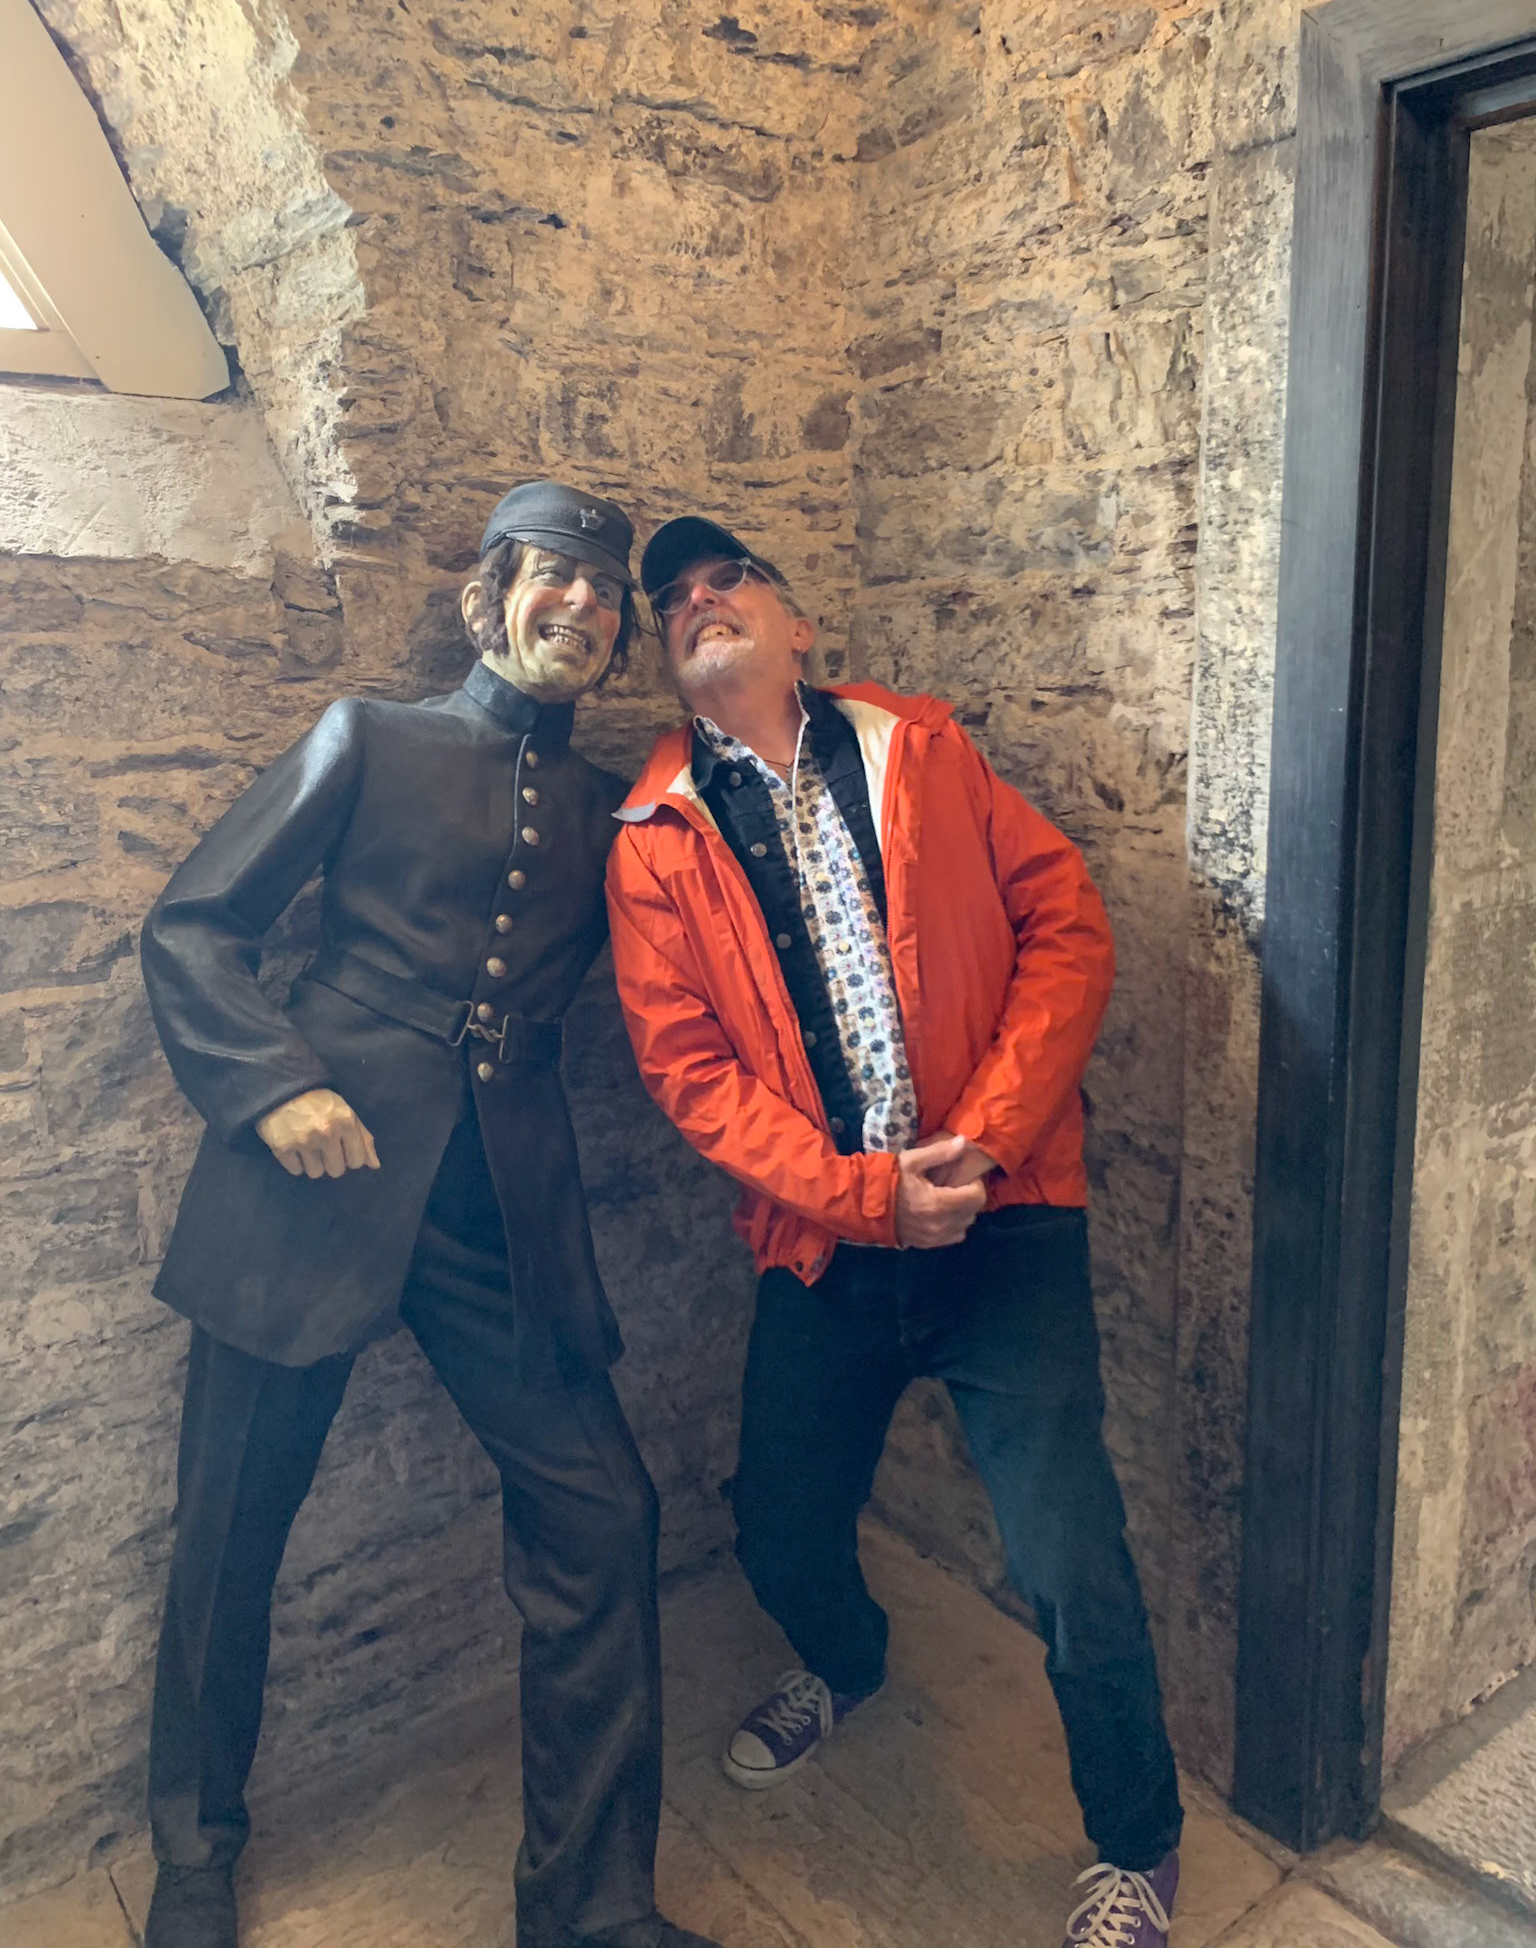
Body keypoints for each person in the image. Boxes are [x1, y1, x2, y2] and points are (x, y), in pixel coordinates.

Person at [137, 482, 720, 1948]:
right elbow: (194, 924)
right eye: (555, 579)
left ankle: (589, 1907)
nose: (582, 607)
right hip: (308, 1182)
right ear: (491, 598)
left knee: (606, 1515)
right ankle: (194, 1854)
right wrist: (270, 1083)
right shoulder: (370, 736)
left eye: (606, 596)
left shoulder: (617, 810)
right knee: (228, 1531)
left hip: (501, 1210)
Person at [605, 516, 1184, 1948]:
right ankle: (848, 1663)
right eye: (673, 601)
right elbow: (690, 1073)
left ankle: (1137, 1841)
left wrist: (984, 1141)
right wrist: (867, 1198)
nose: (699, 603)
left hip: (1006, 1222)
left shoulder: (920, 750)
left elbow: (1066, 925)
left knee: (1068, 1556)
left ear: (797, 625)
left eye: (727, 581)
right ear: (667, 658)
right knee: (779, 1521)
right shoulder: (653, 839)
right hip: (825, 1244)